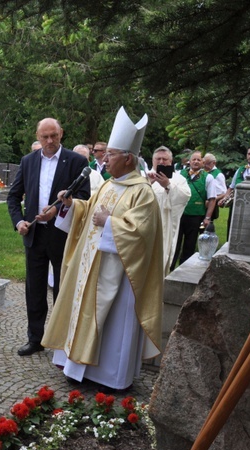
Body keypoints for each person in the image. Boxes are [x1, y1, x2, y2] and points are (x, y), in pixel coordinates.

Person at [43, 106, 163, 392]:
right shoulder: (109, 185)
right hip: (91, 268)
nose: (105, 159)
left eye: (111, 154)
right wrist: (73, 205)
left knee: (113, 326)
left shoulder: (142, 192)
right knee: (83, 313)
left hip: (120, 275)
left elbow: (141, 235)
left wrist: (110, 223)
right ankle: (76, 367)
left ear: (129, 158)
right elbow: (89, 213)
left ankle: (110, 378)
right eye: (105, 154)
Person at [7, 118, 90, 357]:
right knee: (34, 288)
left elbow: (85, 197)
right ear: (38, 136)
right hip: (34, 234)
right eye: (45, 137)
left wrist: (60, 209)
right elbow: (13, 197)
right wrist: (19, 221)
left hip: (61, 234)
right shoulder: (28, 161)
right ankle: (36, 338)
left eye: (54, 135)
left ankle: (63, 338)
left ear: (61, 133)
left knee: (63, 287)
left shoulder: (76, 161)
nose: (50, 141)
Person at [170, 150, 219, 269]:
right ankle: (170, 266)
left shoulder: (208, 178)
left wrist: (207, 217)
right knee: (174, 242)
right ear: (189, 162)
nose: (196, 162)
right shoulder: (180, 174)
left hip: (195, 216)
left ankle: (183, 268)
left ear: (203, 162)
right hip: (179, 214)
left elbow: (212, 199)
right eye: (194, 159)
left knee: (189, 244)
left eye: (199, 159)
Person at [146, 146, 191, 274]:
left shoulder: (179, 179)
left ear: (170, 161)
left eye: (164, 159)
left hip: (165, 226)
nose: (161, 162)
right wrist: (148, 183)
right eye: (158, 158)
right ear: (153, 160)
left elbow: (184, 197)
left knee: (160, 258)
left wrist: (168, 186)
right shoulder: (143, 176)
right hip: (144, 225)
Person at [221, 146, 250, 239]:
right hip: (236, 204)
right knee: (231, 225)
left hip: (249, 205)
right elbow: (231, 187)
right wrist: (224, 198)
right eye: (249, 154)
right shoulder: (240, 170)